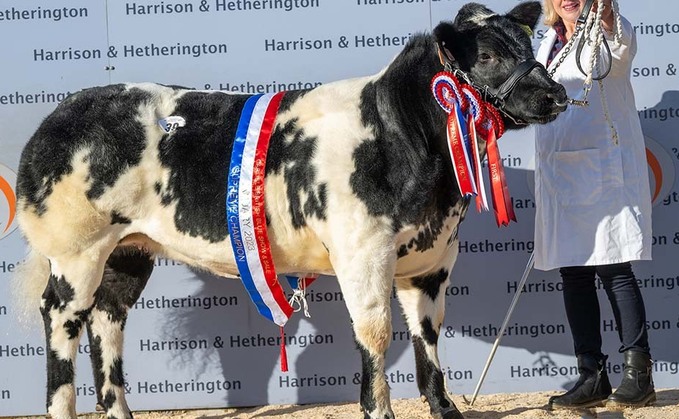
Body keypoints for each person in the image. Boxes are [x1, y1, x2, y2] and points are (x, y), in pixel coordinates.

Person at [533, 0, 656, 411]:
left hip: (602, 170)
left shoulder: (609, 30)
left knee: (615, 268)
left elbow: (617, 56)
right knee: (574, 275)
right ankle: (592, 374)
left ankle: (639, 375)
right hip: (560, 174)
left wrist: (604, 15)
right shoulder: (546, 42)